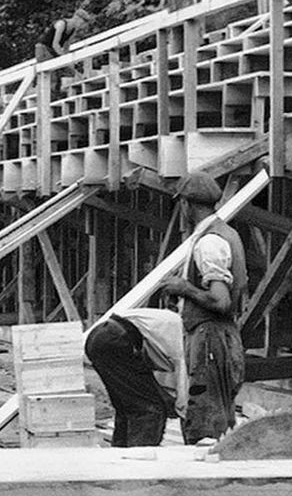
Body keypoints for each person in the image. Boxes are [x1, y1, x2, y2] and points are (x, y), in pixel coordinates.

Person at [159, 172, 247, 442]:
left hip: (210, 337)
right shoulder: (225, 233)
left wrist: (184, 288)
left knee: (205, 420)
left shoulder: (210, 241)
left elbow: (221, 300)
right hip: (218, 335)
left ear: (186, 204)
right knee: (216, 414)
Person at [84, 307, 186, 447]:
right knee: (149, 410)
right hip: (116, 339)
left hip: (98, 337)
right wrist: (183, 410)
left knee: (127, 407)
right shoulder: (182, 336)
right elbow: (182, 384)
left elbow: (150, 379)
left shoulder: (167, 325)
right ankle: (140, 459)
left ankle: (120, 455)